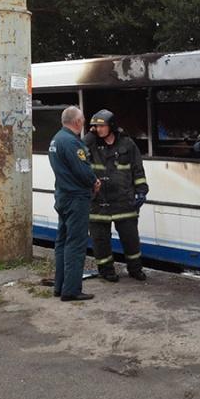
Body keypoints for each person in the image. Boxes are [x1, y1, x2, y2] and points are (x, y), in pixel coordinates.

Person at [84, 109, 149, 282]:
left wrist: (141, 190)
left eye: (101, 126)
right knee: (100, 241)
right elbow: (79, 151)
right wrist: (90, 135)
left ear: (111, 126)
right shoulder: (89, 144)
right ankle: (107, 271)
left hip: (124, 201)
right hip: (98, 202)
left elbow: (138, 169)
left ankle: (135, 269)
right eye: (95, 126)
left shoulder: (127, 145)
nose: (98, 129)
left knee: (131, 240)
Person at [48, 106, 101, 302]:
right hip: (76, 199)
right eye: (83, 120)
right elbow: (82, 170)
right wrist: (94, 182)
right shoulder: (71, 142)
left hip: (62, 197)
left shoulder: (56, 139)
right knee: (76, 244)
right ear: (77, 122)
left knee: (61, 242)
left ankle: (59, 286)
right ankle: (71, 290)